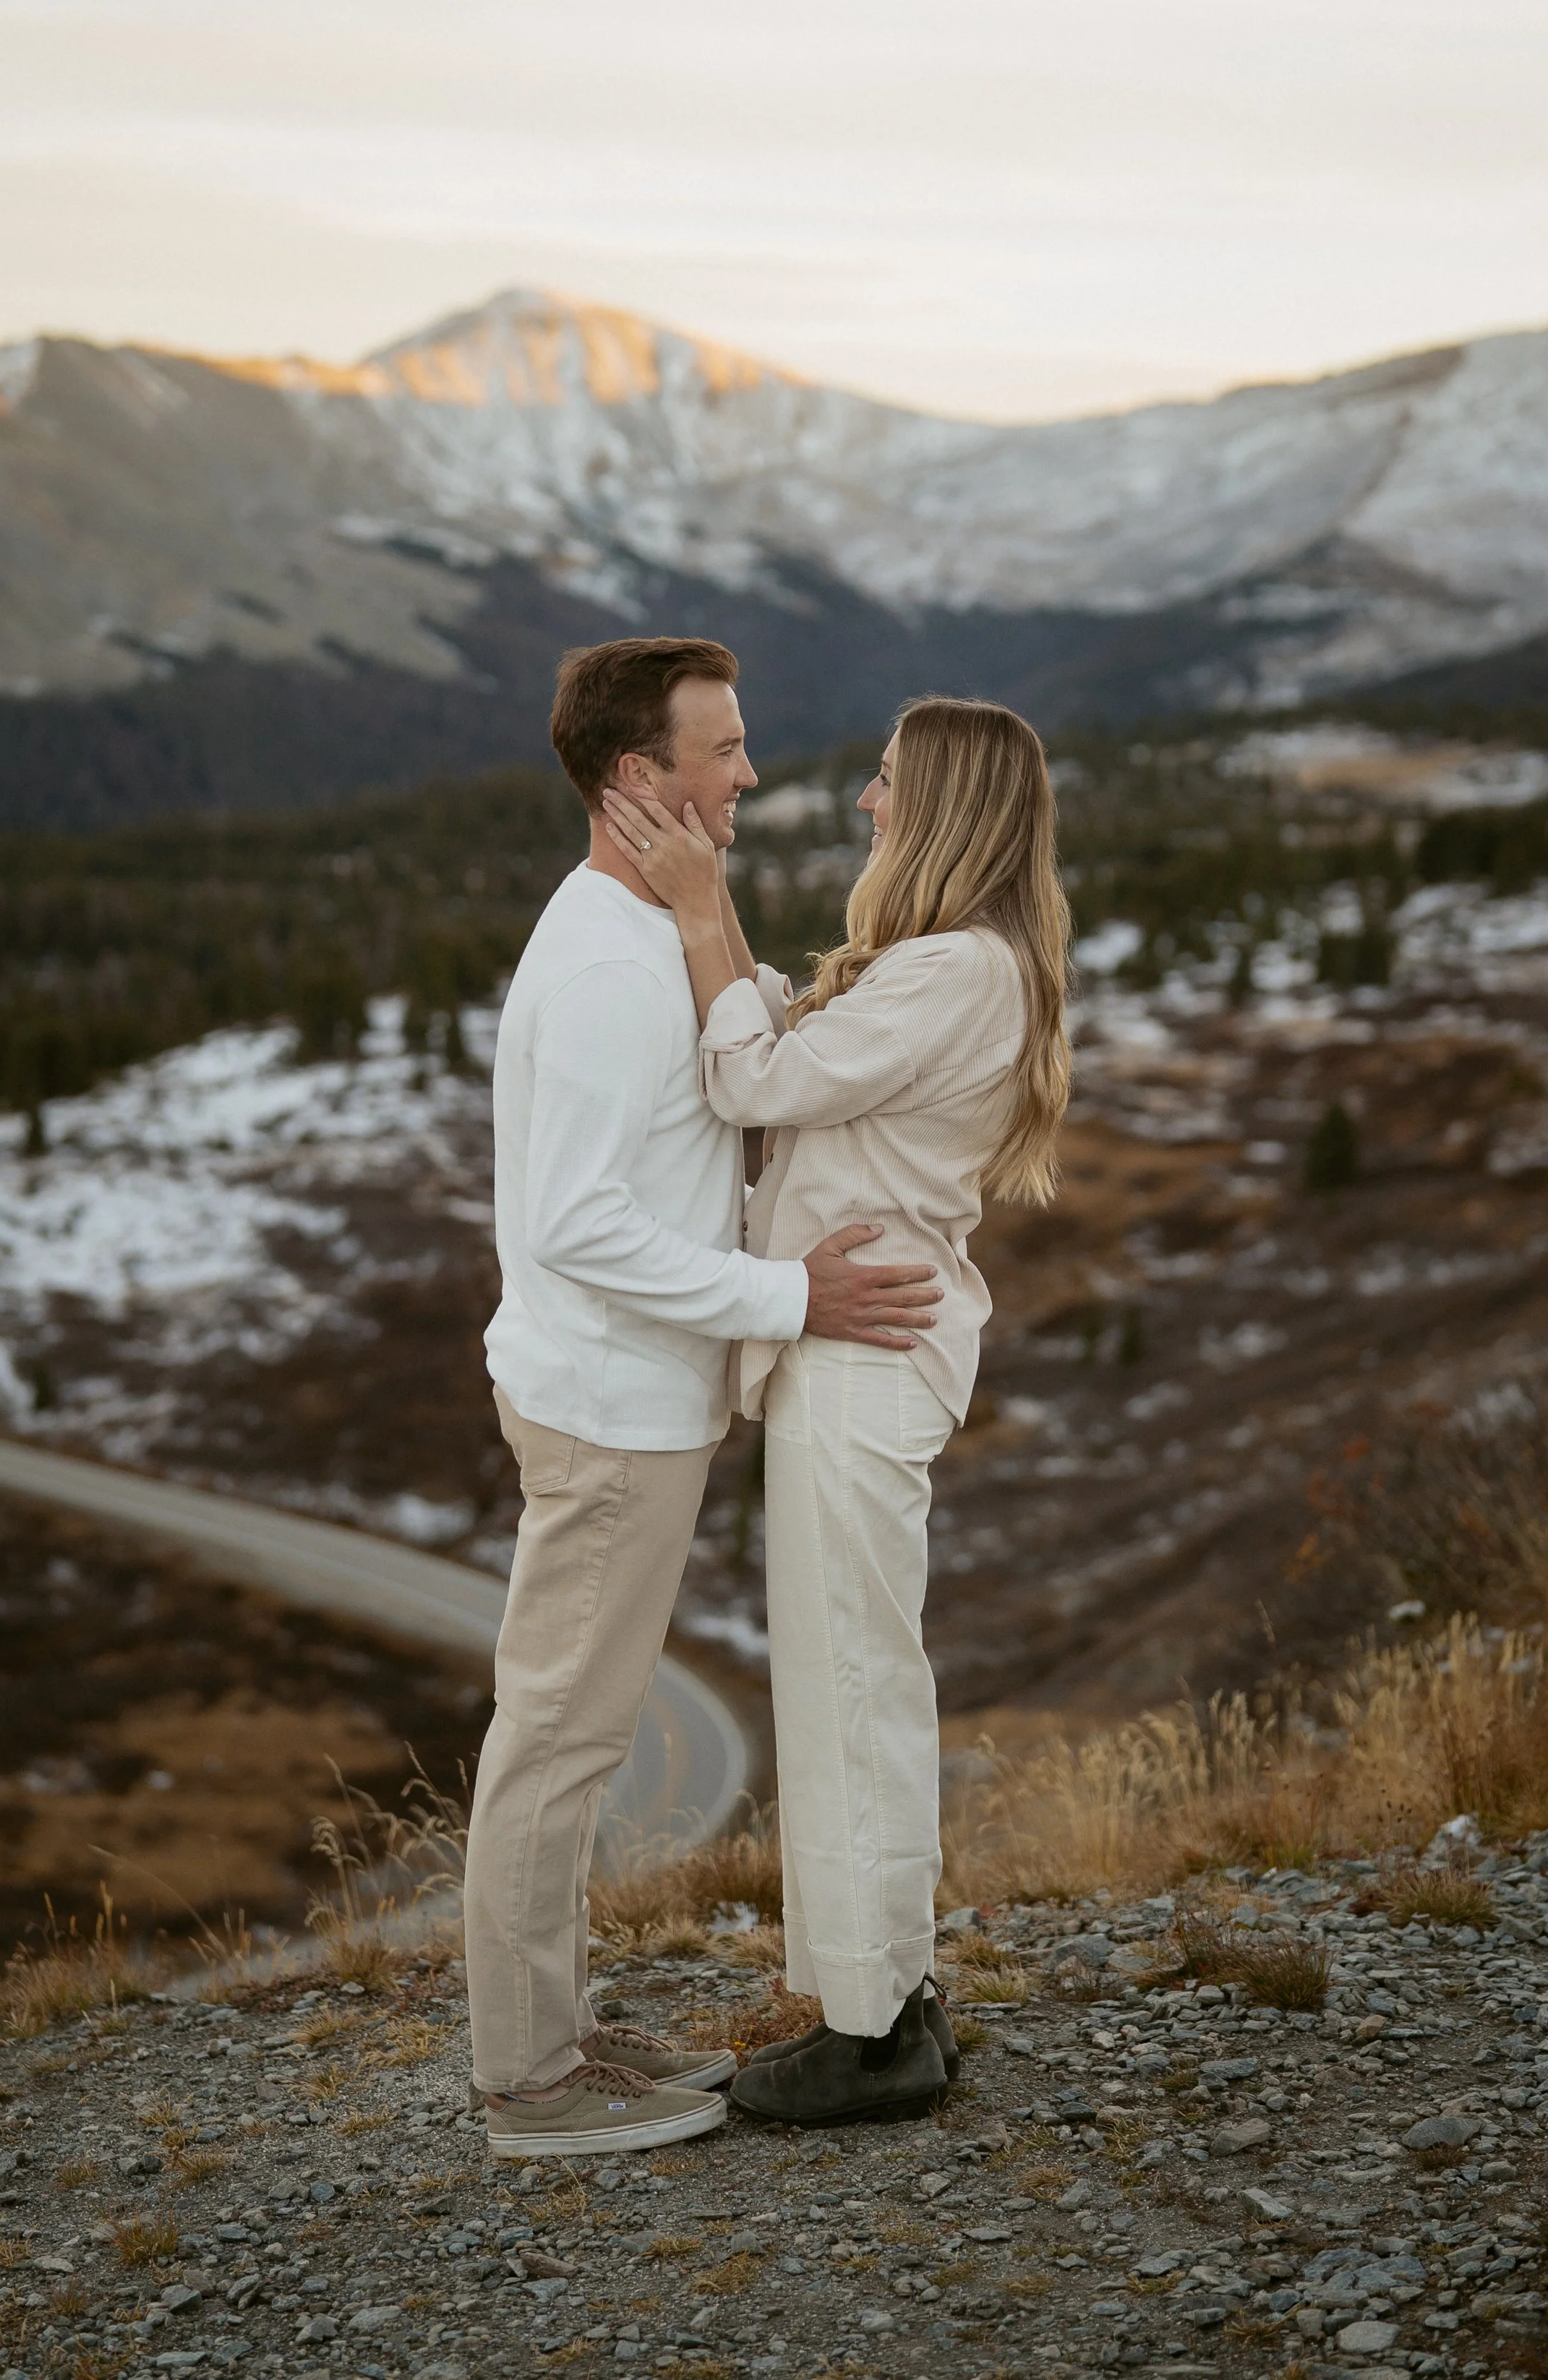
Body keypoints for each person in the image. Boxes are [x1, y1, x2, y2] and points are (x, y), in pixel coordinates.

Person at [463, 635, 945, 2159]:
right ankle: (529, 2086)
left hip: (621, 1398)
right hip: (609, 1412)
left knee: (568, 1737)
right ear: (635, 779)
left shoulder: (632, 926)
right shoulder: (609, 964)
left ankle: (547, 2036)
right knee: (558, 1742)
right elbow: (579, 1225)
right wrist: (793, 1299)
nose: (745, 771)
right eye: (717, 749)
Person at [599, 695, 1072, 2127]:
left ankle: (872, 2033)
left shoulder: (952, 971)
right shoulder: (951, 965)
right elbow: (791, 1049)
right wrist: (715, 899)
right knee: (857, 1674)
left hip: (865, 1359)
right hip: (860, 1354)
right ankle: (894, 1999)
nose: (864, 806)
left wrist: (692, 912)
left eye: (883, 784)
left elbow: (751, 1075)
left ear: (939, 807)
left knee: (850, 1683)